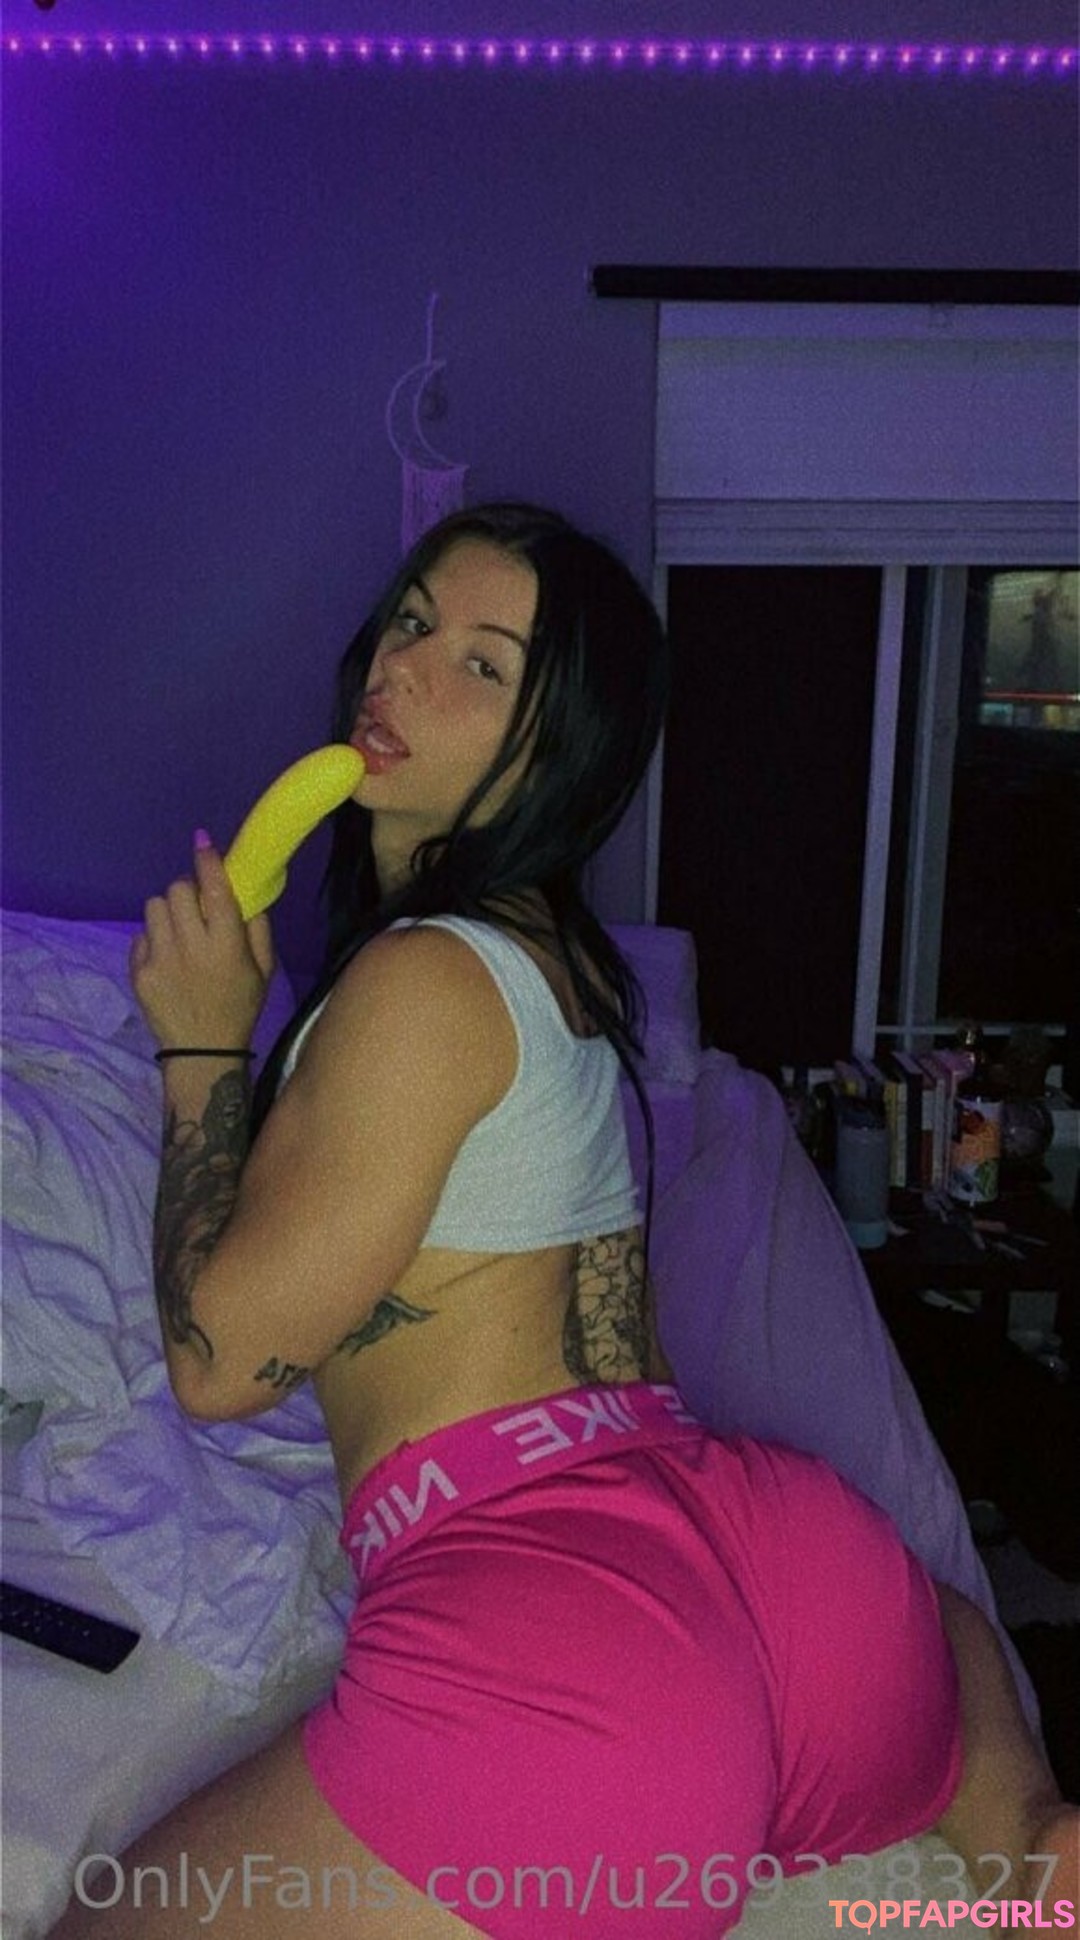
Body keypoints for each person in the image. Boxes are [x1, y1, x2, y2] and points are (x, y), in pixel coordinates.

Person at [51, 505, 1076, 1938]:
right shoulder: (565, 978)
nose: (404, 670)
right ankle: (1030, 1836)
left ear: (561, 753)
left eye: (484, 664)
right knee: (954, 1678)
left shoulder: (421, 980)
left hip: (578, 1641)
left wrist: (203, 1044)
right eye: (413, 622)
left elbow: (223, 1365)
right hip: (795, 1565)